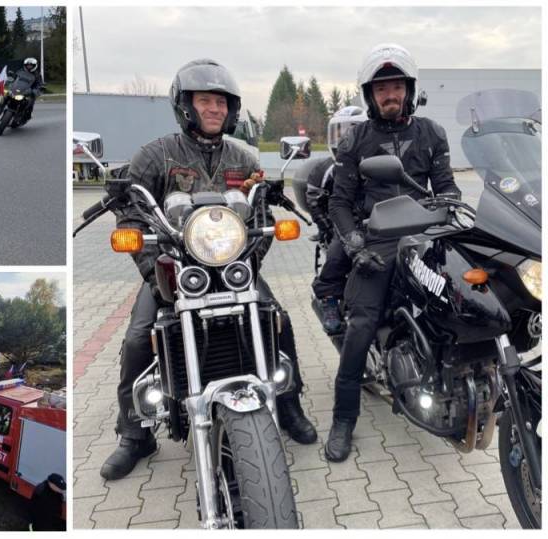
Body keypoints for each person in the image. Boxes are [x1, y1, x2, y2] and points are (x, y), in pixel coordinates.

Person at [100, 59, 317, 481]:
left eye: (221, 102)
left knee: (280, 322)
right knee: (136, 341)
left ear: (232, 109)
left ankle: (289, 406)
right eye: (205, 101)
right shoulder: (156, 154)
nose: (215, 109)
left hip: (233, 266)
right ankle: (134, 434)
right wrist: (153, 270)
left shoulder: (243, 157)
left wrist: (249, 260)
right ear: (185, 106)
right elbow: (130, 212)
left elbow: (260, 215)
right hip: (175, 271)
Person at [325, 44, 460, 462]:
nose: (390, 94)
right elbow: (340, 204)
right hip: (379, 239)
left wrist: (450, 212)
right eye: (381, 87)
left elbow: (448, 188)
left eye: (396, 85)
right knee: (361, 325)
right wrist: (355, 244)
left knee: (461, 299)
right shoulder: (355, 142)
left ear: (409, 89)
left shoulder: (431, 134)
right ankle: (343, 418)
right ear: (370, 94)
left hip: (425, 233)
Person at [306, 106, 367, 334]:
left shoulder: (380, 160)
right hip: (344, 225)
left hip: (381, 222)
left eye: (351, 132)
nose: (344, 140)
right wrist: (329, 229)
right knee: (337, 255)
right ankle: (329, 298)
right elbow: (314, 201)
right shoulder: (326, 169)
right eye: (339, 133)